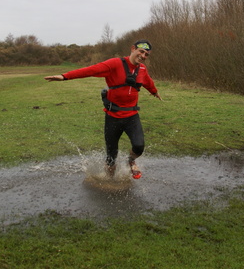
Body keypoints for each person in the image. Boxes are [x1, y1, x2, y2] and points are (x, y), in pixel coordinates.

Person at [44, 40, 162, 179]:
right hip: (113, 117)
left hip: (131, 116)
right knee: (111, 156)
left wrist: (154, 92)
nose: (143, 56)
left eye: (146, 54)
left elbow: (147, 81)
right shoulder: (115, 64)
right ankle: (109, 181)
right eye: (141, 52)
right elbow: (91, 70)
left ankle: (131, 160)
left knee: (139, 147)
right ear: (133, 49)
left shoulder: (142, 69)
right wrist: (65, 76)